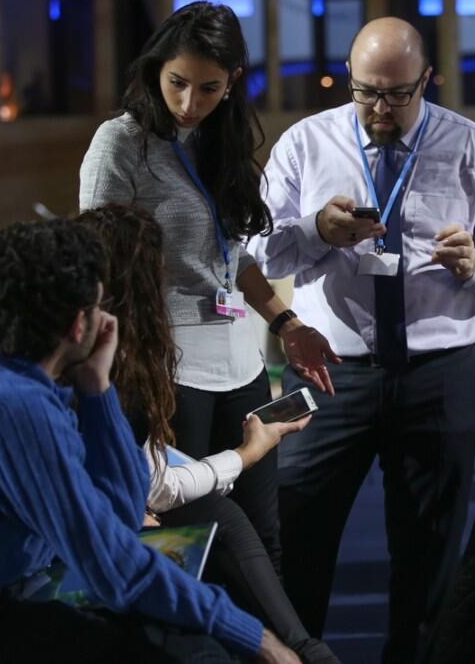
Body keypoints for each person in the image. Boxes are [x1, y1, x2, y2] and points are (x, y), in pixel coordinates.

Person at [0, 220, 299, 664]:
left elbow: (123, 511)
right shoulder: (15, 408)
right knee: (197, 651)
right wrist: (256, 637)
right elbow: (114, 567)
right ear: (81, 326)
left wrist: (96, 389)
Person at [247, 17, 475, 662]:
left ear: (426, 80)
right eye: (366, 92)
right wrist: (317, 231)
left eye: (397, 94)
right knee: (295, 537)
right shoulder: (305, 144)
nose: (380, 109)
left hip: (439, 371)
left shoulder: (474, 149)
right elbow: (258, 255)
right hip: (329, 374)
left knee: (429, 556)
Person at [79, 2, 338, 570]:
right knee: (194, 540)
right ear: (155, 70)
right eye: (177, 83)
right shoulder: (119, 144)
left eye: (208, 87)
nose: (190, 103)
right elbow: (100, 261)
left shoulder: (218, 141)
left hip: (242, 365)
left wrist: (287, 324)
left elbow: (234, 258)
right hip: (166, 370)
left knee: (263, 537)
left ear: (233, 82)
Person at [77, 203, 340, 663]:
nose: (169, 280)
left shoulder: (116, 357)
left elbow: (149, 481)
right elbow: (154, 491)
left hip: (104, 524)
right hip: (47, 562)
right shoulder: (89, 368)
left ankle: (297, 648)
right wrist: (246, 454)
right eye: (157, 269)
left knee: (221, 516)